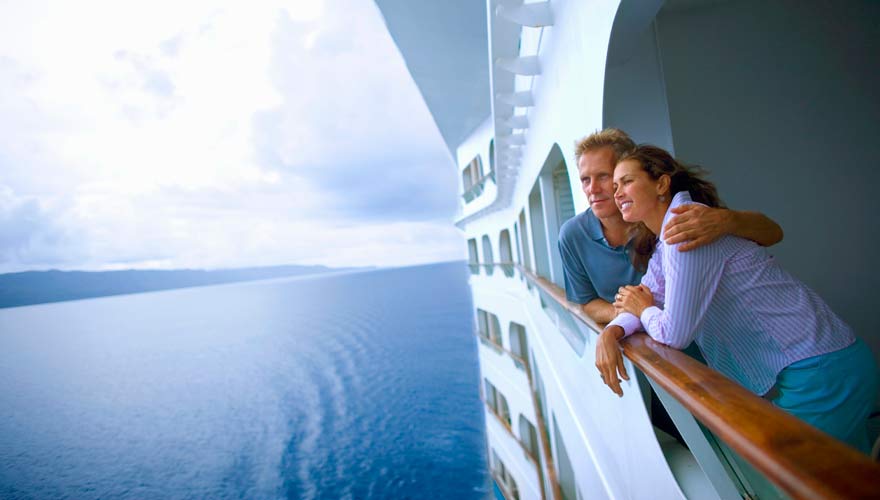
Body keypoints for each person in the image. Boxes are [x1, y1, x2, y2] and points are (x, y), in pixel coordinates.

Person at [596, 144, 878, 453]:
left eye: (626, 181)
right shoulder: (670, 239)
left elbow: (672, 332)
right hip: (828, 362)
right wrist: (613, 331)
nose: (617, 192)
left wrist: (645, 309)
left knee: (798, 480)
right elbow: (648, 291)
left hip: (822, 373)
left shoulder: (685, 231)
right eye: (615, 187)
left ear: (661, 184)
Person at [558, 128, 784, 324]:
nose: (592, 189)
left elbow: (773, 233)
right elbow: (585, 301)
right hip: (651, 348)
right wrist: (624, 314)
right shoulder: (572, 235)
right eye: (585, 179)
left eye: (603, 177)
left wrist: (726, 220)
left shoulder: (669, 217)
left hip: (717, 333)